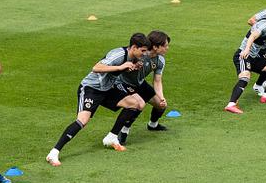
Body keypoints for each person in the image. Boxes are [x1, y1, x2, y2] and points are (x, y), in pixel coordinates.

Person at [45, 34, 151, 167]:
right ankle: (54, 153)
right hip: (91, 88)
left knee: (137, 103)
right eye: (143, 50)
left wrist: (133, 67)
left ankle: (112, 137)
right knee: (82, 121)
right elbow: (96, 68)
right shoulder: (118, 55)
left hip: (107, 89)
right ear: (134, 47)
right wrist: (120, 67)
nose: (145, 53)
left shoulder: (134, 57)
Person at [101, 30, 171, 151]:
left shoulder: (160, 60)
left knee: (160, 105)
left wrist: (161, 97)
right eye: (165, 46)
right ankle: (124, 129)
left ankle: (152, 125)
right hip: (123, 82)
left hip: (139, 83)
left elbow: (157, 81)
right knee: (138, 104)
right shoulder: (139, 54)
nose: (167, 48)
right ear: (155, 46)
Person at [224, 9, 266, 114]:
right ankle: (231, 105)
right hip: (243, 54)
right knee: (245, 76)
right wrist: (246, 50)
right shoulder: (264, 25)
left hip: (254, 56)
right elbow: (252, 36)